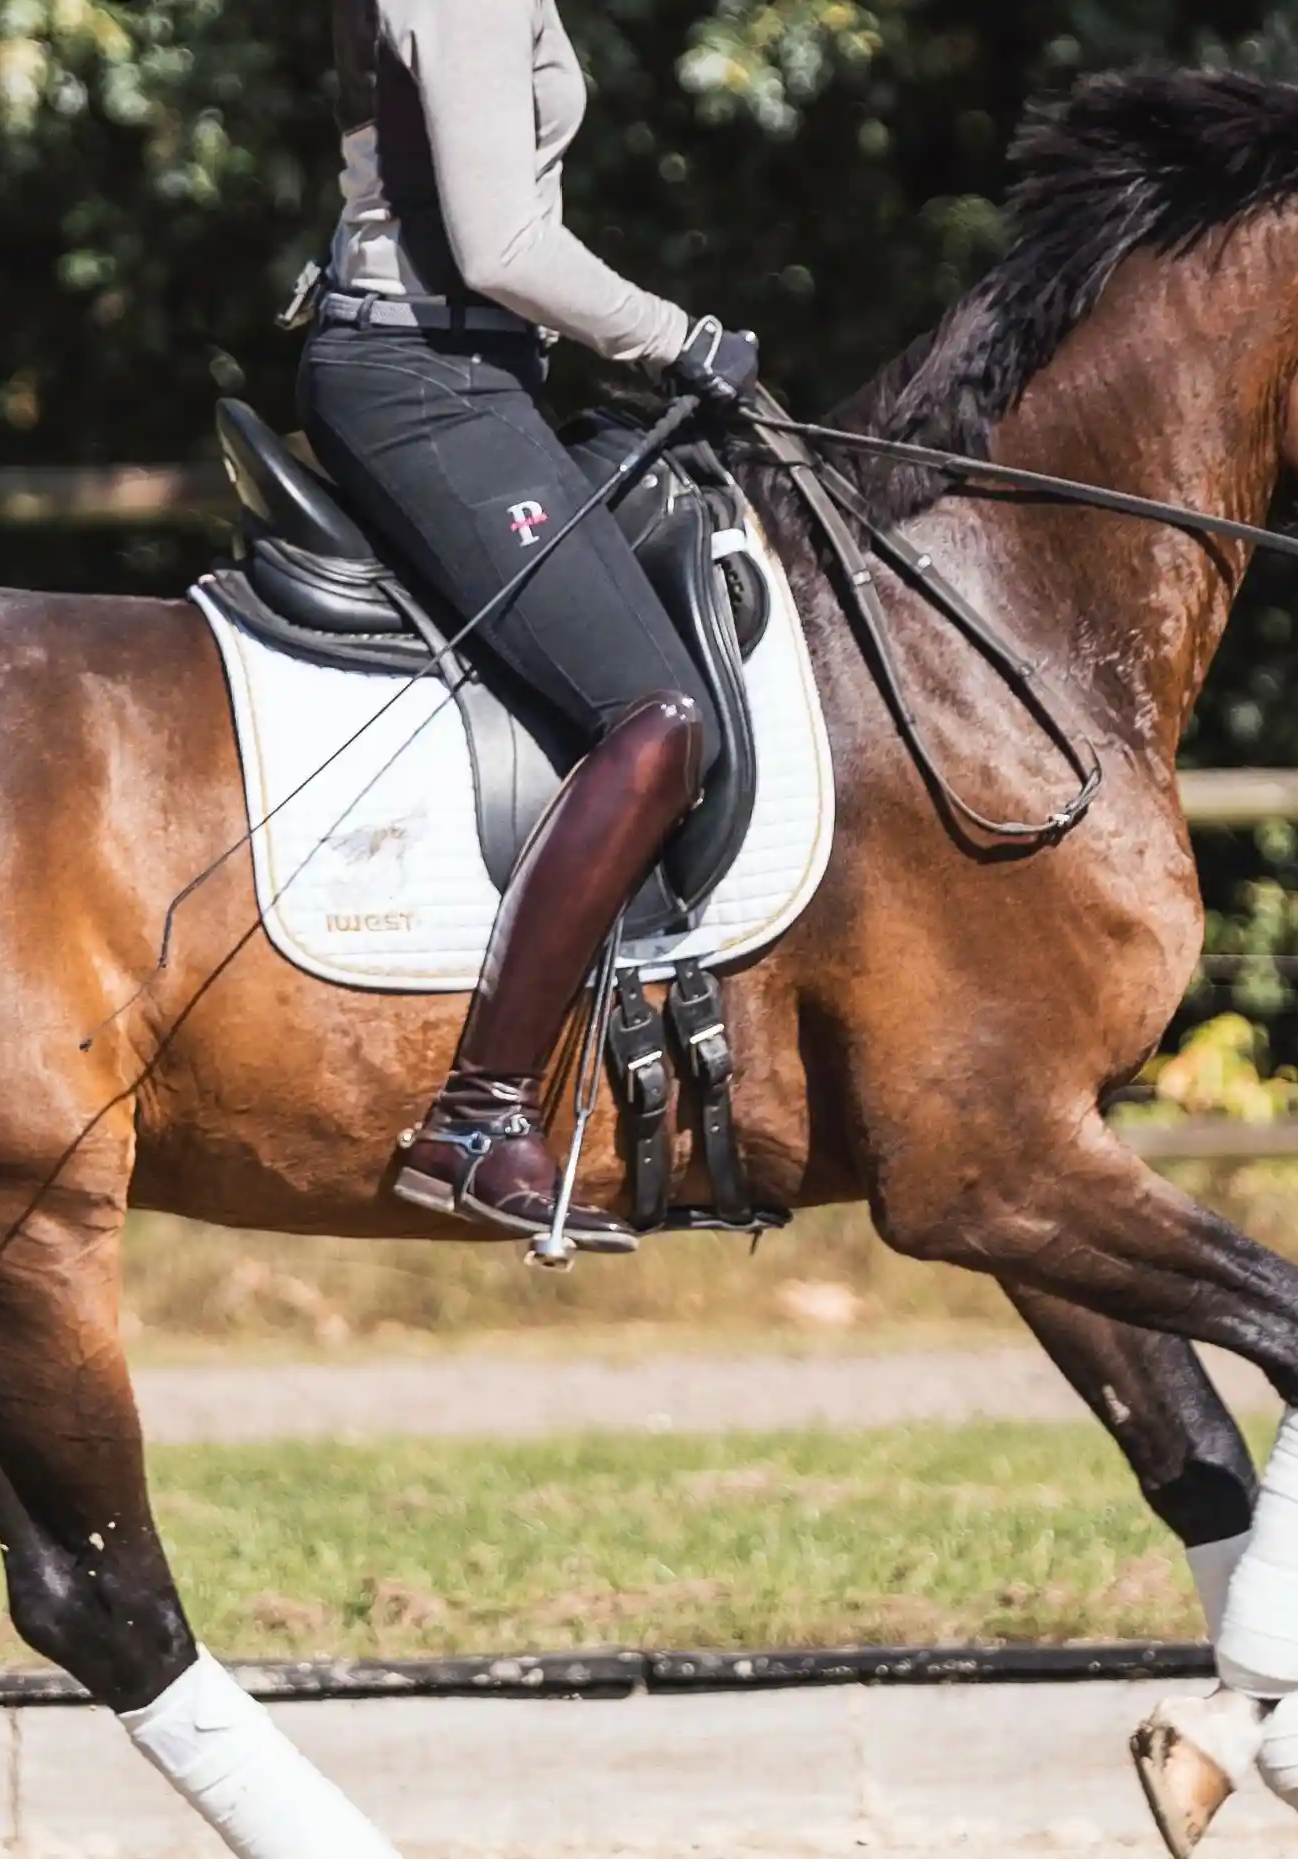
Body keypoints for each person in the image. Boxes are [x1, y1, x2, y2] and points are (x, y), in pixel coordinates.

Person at [305, 0, 762, 1254]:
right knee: (659, 720)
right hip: (425, 377)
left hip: (469, 371)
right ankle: (477, 1111)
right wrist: (680, 339)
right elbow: (505, 243)